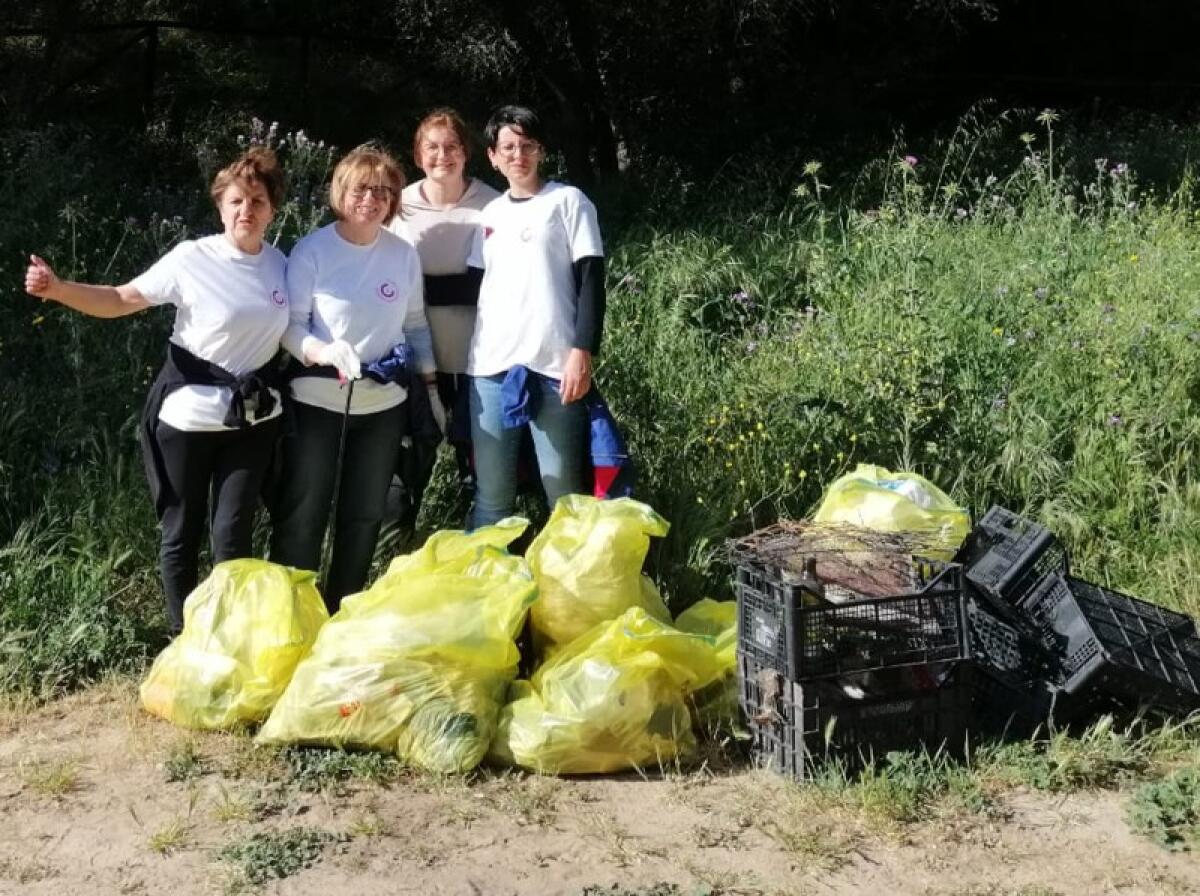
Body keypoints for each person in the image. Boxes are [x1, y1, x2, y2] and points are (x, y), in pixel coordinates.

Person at [23, 148, 290, 633]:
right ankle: (181, 639)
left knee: (233, 536)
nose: (246, 211)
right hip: (187, 421)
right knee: (180, 533)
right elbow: (122, 299)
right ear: (220, 206)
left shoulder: (282, 266)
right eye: (236, 201)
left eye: (257, 201)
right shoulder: (193, 258)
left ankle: (227, 641)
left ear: (273, 209)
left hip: (253, 422)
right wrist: (58, 289)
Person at [270, 145, 439, 612]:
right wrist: (322, 350)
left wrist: (430, 387)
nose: (372, 199)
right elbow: (290, 325)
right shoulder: (313, 250)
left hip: (382, 407)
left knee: (365, 517)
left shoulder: (402, 255)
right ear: (341, 192)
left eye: (383, 191)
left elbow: (415, 324)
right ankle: (293, 616)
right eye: (362, 189)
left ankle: (341, 614)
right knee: (305, 514)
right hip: (318, 401)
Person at [465, 105, 606, 528]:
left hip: (555, 367)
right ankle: (489, 591)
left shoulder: (569, 201)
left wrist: (583, 350)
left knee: (563, 499)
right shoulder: (489, 215)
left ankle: (573, 591)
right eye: (508, 147)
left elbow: (592, 282)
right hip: (490, 370)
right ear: (492, 156)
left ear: (541, 150)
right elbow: (475, 290)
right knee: (492, 499)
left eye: (527, 145)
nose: (518, 155)